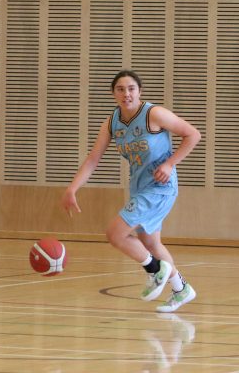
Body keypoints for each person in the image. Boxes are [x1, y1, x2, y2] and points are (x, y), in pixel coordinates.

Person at [61, 70, 201, 313]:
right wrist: (72, 188)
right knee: (150, 242)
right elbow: (94, 159)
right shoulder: (112, 122)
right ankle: (181, 289)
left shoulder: (153, 114)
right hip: (139, 187)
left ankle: (154, 270)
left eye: (131, 88)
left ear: (139, 91)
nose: (126, 93)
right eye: (121, 89)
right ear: (114, 94)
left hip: (160, 187)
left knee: (115, 234)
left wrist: (169, 164)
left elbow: (193, 134)